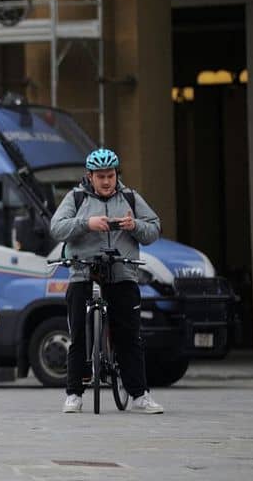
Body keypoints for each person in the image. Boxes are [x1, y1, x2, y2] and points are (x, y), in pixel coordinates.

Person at [50, 148, 165, 414]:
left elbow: (154, 229)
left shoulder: (130, 197)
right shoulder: (76, 198)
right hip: (84, 273)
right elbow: (57, 228)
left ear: (116, 175)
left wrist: (133, 225)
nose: (106, 181)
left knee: (130, 336)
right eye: (100, 176)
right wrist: (86, 223)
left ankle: (139, 395)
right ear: (89, 176)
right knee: (78, 334)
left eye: (110, 176)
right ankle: (74, 394)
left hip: (122, 273)